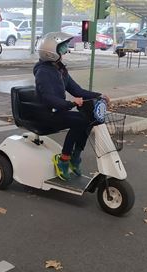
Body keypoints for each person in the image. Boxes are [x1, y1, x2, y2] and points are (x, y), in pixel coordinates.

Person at [34, 32, 109, 181]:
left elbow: (77, 90)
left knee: (88, 119)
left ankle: (75, 157)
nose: (66, 50)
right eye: (62, 48)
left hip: (58, 111)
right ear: (51, 52)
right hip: (46, 114)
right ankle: (63, 160)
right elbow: (48, 98)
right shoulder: (43, 72)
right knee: (79, 120)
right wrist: (70, 104)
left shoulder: (60, 69)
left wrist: (98, 95)